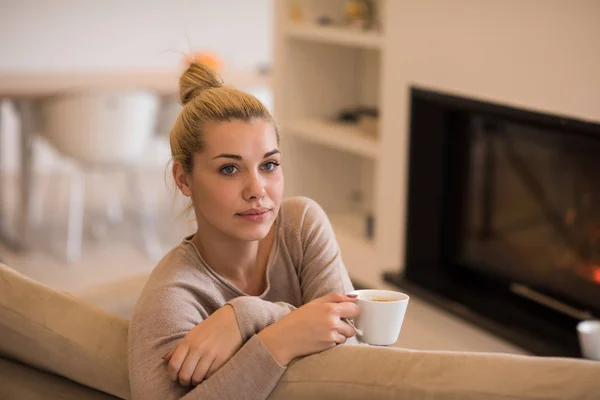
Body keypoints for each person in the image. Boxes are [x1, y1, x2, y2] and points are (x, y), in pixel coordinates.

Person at [128, 61, 362, 400]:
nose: (257, 190)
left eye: (269, 165)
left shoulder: (301, 225)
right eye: (229, 169)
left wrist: (248, 316)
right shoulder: (172, 297)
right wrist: (277, 342)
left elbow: (353, 357)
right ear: (183, 179)